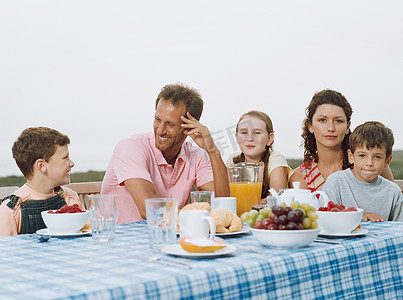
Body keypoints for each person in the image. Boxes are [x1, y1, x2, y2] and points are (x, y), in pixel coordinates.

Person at [101, 83, 230, 224]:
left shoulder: (197, 155)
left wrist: (213, 151)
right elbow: (148, 210)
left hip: (170, 236)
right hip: (123, 240)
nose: (160, 130)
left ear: (189, 127)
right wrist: (196, 214)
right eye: (157, 119)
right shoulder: (130, 147)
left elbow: (222, 204)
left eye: (170, 124)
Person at [290, 89, 394, 191]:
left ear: (348, 126)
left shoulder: (370, 164)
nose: (331, 128)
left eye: (338, 121)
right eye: (322, 120)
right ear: (310, 126)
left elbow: (390, 201)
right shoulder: (301, 176)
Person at [0, 127, 82, 236]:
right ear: (42, 166)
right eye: (65, 157)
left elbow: (87, 233)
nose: (71, 163)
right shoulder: (11, 210)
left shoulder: (70, 198)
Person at [321, 121, 403, 222]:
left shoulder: (393, 191)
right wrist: (358, 216)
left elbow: (399, 230)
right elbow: (326, 219)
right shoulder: (336, 182)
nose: (369, 163)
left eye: (377, 157)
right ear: (351, 157)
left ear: (387, 161)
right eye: (362, 155)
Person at [226, 111, 292, 199]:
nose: (249, 138)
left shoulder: (275, 159)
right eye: (244, 133)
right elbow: (224, 193)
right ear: (237, 137)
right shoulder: (233, 159)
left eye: (257, 133)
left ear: (269, 138)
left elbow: (276, 196)